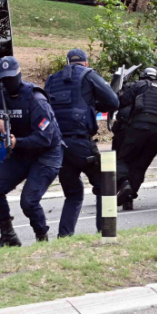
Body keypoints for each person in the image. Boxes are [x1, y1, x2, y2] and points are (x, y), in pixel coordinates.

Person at [0, 56, 63, 247]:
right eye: (4, 78)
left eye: (11, 77)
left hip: (46, 154)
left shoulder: (36, 99)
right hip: (20, 153)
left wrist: (18, 142)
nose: (8, 82)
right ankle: (8, 235)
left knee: (29, 201)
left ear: (19, 74)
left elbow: (45, 138)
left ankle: (42, 239)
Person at [45, 49, 119, 237]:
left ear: (67, 61)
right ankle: (105, 231)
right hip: (81, 144)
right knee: (104, 184)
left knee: (73, 194)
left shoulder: (52, 80)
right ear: (85, 63)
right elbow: (113, 102)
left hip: (59, 147)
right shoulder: (89, 75)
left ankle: (64, 236)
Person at [115, 67, 157, 209]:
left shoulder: (138, 85)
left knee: (123, 160)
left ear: (143, 76)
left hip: (139, 127)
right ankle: (128, 199)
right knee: (140, 167)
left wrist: (118, 94)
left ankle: (125, 184)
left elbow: (122, 102)